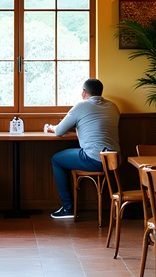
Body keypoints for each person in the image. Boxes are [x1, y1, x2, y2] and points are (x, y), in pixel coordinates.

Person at [44, 78, 120, 219]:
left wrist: (51, 128)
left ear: (84, 92)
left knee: (56, 159)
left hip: (94, 159)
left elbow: (59, 131)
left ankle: (68, 208)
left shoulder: (81, 106)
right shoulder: (113, 106)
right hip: (114, 161)